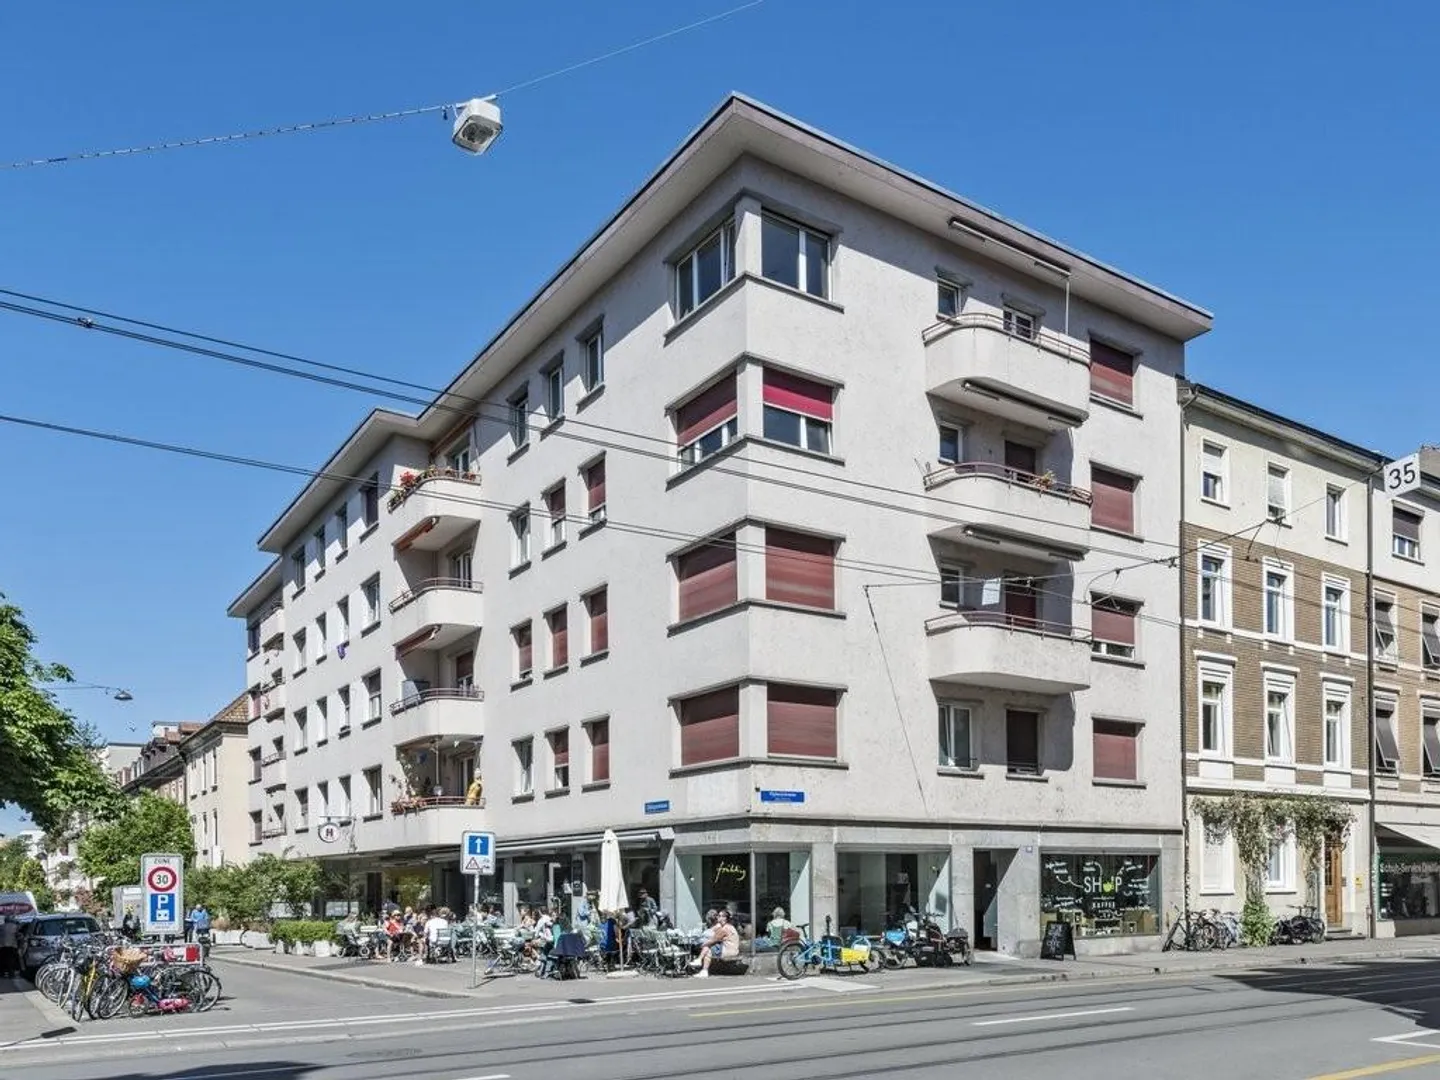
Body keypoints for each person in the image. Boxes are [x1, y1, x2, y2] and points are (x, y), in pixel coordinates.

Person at [689, 908, 739, 978]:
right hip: (729, 949)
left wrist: (702, 945)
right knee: (708, 947)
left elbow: (714, 939)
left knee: (707, 947)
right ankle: (702, 966)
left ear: (724, 918)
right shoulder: (726, 926)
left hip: (728, 950)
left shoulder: (725, 928)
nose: (717, 917)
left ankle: (701, 963)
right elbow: (713, 932)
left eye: (719, 915)